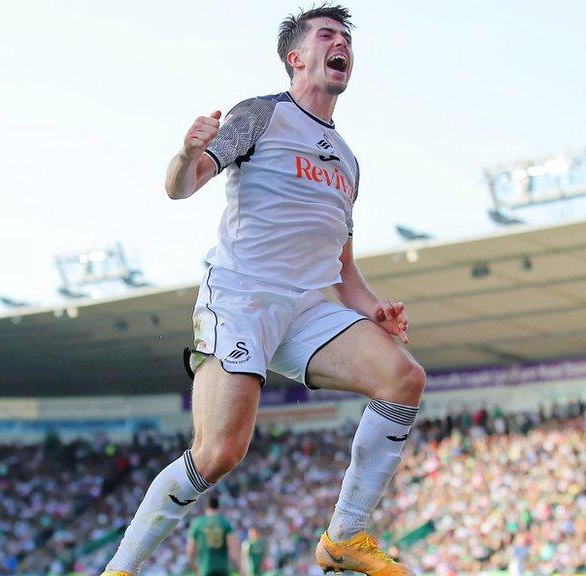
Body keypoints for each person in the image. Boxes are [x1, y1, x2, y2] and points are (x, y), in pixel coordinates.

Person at [101, 4, 425, 575]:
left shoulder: (347, 161)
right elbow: (182, 187)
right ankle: (120, 568)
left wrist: (375, 308)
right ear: (296, 58)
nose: (340, 44)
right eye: (327, 35)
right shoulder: (261, 116)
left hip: (307, 310)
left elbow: (342, 268)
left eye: (345, 38)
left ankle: (344, 537)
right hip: (242, 298)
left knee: (403, 378)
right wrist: (185, 152)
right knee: (219, 454)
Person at [186, 496, 238, 576]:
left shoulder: (197, 523)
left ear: (206, 507)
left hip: (205, 569)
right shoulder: (225, 522)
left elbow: (190, 552)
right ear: (218, 506)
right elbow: (234, 552)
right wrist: (240, 569)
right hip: (223, 569)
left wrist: (196, 571)